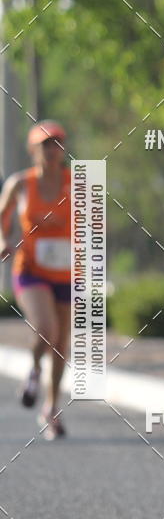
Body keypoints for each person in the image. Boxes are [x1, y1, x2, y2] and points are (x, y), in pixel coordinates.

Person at [0, 121, 71, 441]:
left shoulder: (77, 183)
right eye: (45, 145)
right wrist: (3, 241)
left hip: (67, 273)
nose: (52, 151)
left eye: (57, 144)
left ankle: (51, 409)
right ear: (33, 150)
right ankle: (33, 369)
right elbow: (2, 217)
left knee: (60, 345)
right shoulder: (20, 184)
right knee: (46, 329)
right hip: (30, 271)